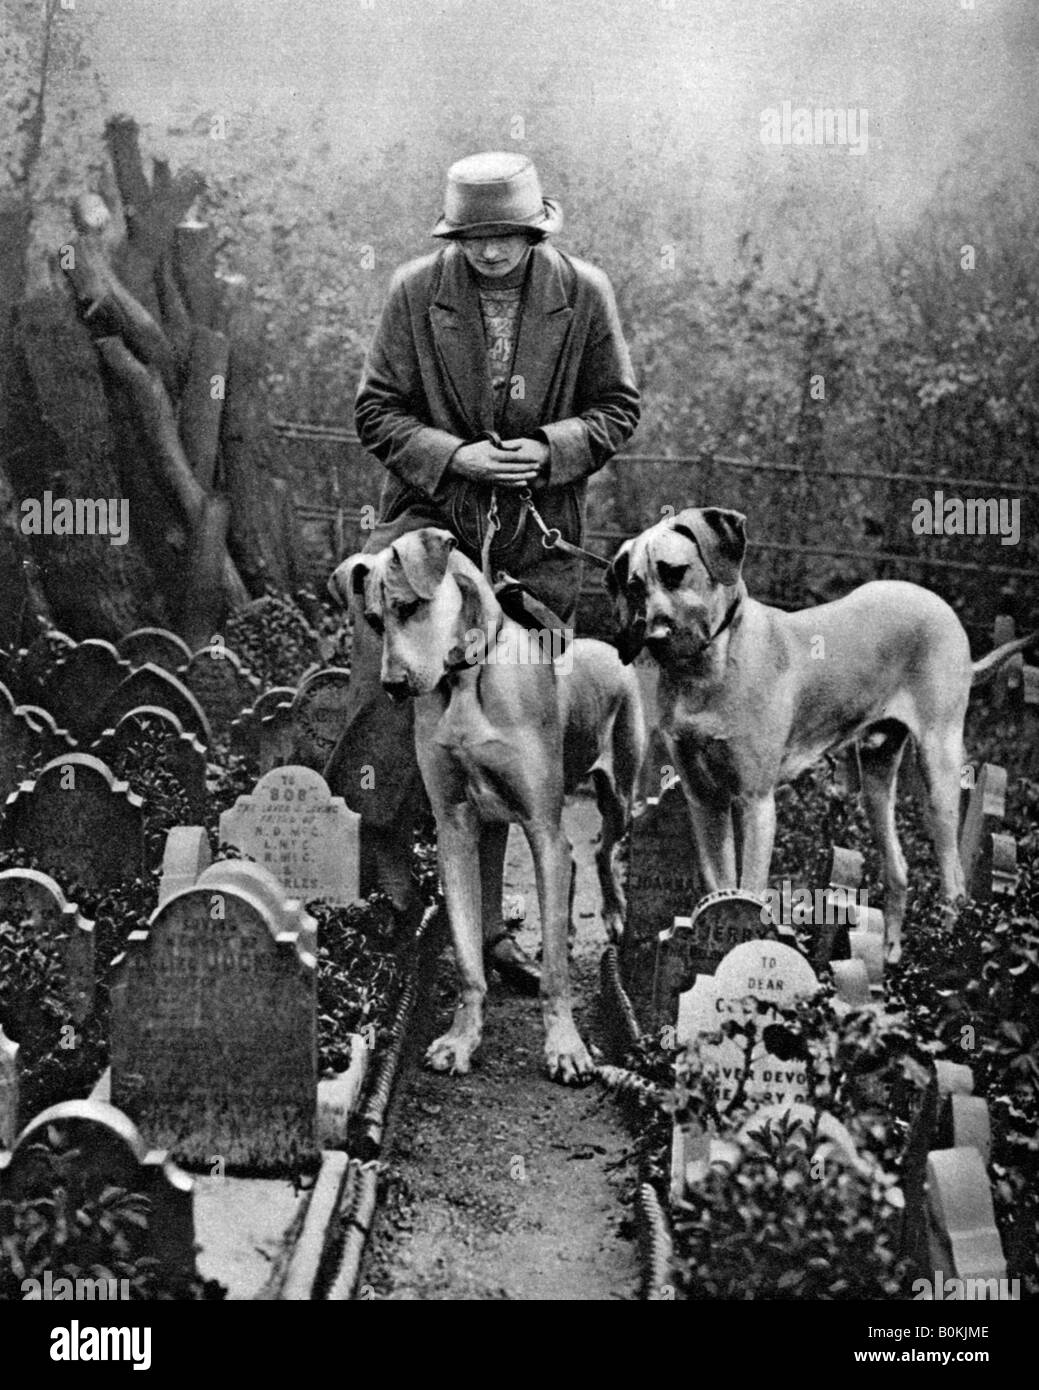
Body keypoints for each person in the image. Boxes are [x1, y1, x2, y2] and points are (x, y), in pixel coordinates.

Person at [325, 150, 640, 984]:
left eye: (507, 236)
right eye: (475, 237)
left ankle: (492, 936)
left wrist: (549, 449)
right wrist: (455, 456)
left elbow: (618, 407)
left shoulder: (585, 295)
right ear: (454, 235)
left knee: (511, 733)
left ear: (535, 230)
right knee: (391, 712)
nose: (492, 252)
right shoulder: (412, 293)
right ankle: (389, 913)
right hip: (425, 536)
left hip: (537, 550)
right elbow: (374, 410)